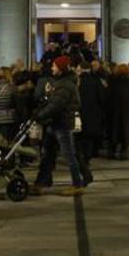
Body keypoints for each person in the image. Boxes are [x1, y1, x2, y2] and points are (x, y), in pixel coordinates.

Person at [31, 55, 86, 196]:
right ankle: (41, 182)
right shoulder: (60, 82)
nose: (52, 68)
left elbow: (56, 105)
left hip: (62, 124)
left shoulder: (65, 85)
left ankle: (77, 184)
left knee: (69, 155)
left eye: (54, 66)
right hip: (54, 123)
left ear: (60, 69)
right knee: (47, 154)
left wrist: (40, 115)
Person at [76, 61, 106, 183]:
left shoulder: (77, 82)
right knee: (89, 137)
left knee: (79, 137)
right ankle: (87, 157)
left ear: (81, 69)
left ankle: (81, 158)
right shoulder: (96, 81)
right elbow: (102, 98)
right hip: (93, 113)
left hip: (79, 113)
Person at [107, 63, 129, 159]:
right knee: (125, 130)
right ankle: (123, 152)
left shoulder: (112, 81)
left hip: (113, 111)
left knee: (113, 130)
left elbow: (108, 96)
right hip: (127, 111)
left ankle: (112, 151)